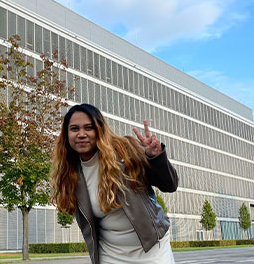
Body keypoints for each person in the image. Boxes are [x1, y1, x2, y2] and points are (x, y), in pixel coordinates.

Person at [51, 103, 179, 264]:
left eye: (88, 128)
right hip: (111, 253)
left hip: (153, 248)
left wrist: (155, 158)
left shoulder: (126, 150)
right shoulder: (70, 173)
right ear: (66, 134)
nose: (81, 134)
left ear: (99, 130)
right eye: (74, 129)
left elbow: (170, 185)